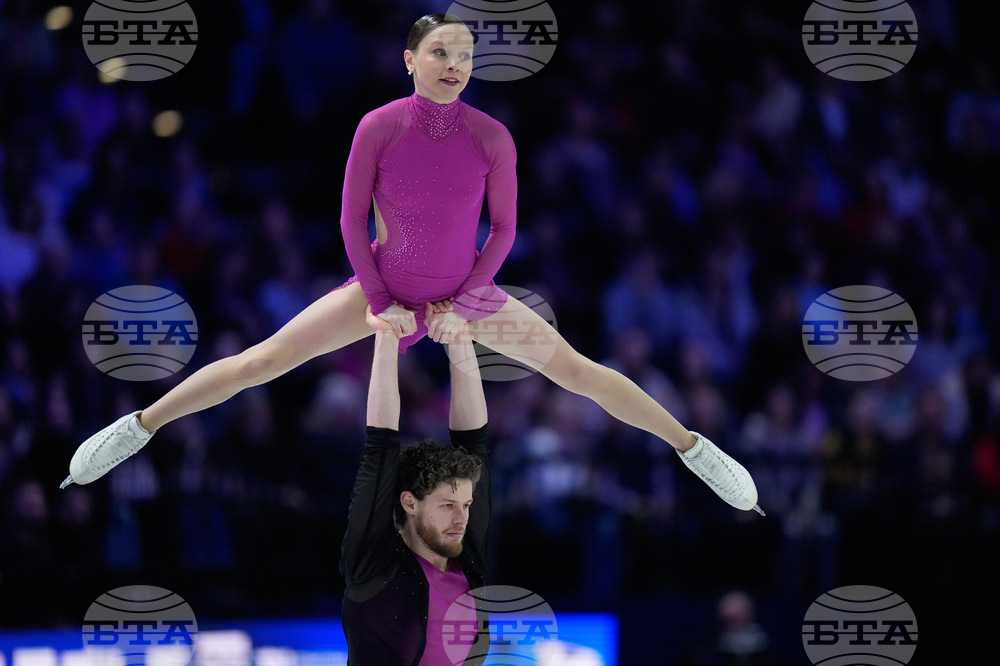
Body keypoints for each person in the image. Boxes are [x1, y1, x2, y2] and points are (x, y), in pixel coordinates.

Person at [60, 13, 762, 515]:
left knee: (577, 371)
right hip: (384, 284)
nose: (454, 65)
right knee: (261, 361)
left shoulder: (492, 136)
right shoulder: (379, 126)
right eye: (439, 53)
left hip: (467, 290)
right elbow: (348, 220)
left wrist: (468, 301)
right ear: (409, 60)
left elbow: (506, 228)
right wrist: (377, 302)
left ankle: (694, 449)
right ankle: (139, 427)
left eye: (464, 56)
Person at [342, 302, 490, 664]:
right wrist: (386, 334)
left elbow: (474, 443)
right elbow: (380, 446)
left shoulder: (465, 559)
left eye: (466, 505)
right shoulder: (373, 563)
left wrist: (461, 336)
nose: (462, 519)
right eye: (448, 505)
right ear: (410, 503)